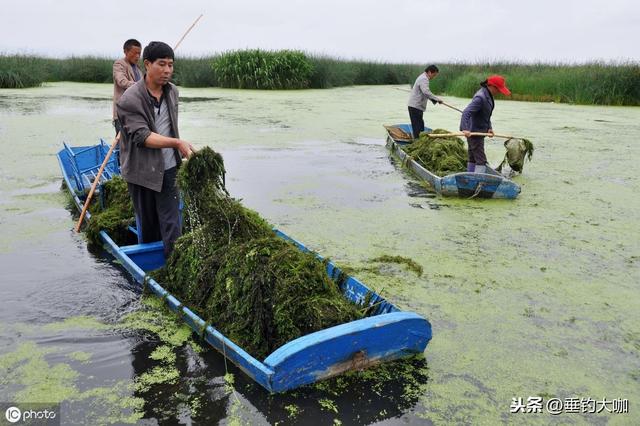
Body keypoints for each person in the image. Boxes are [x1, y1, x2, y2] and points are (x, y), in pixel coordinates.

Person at [116, 41, 195, 258]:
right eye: (162, 64)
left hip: (169, 167)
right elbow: (142, 137)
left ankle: (173, 266)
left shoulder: (172, 92)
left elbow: (169, 125)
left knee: (171, 225)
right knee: (149, 227)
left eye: (171, 65)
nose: (167, 70)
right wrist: (177, 143)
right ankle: (150, 269)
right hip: (141, 172)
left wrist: (179, 149)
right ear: (147, 64)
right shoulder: (129, 99)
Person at [460, 75, 511, 174]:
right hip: (474, 132)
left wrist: (489, 128)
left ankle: (470, 176)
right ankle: (478, 181)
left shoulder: (488, 94)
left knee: (473, 157)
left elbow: (485, 115)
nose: (499, 92)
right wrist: (465, 129)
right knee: (481, 160)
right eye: (499, 89)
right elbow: (466, 112)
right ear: (491, 86)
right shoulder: (480, 97)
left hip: (479, 131)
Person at [113, 39, 143, 135]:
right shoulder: (119, 64)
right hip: (123, 112)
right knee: (122, 144)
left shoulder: (138, 68)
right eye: (134, 53)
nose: (137, 56)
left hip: (137, 113)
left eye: (139, 53)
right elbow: (122, 81)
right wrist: (140, 85)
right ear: (125, 51)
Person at [407, 65, 443, 139]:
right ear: (429, 72)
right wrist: (437, 99)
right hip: (415, 106)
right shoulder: (424, 79)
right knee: (418, 127)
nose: (434, 77)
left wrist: (435, 100)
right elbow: (426, 92)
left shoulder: (423, 77)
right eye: (434, 75)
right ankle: (417, 142)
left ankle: (418, 140)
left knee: (420, 125)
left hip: (416, 107)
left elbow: (425, 93)